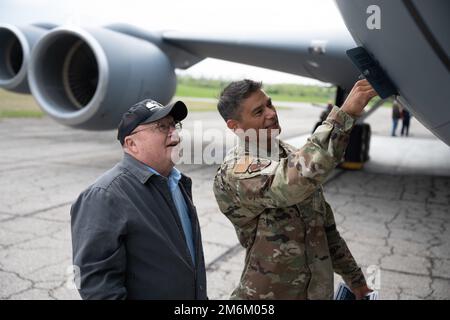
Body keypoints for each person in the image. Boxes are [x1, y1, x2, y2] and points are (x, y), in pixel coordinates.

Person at [213, 79, 377, 300]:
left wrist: (355, 279)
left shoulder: (292, 154)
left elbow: (325, 230)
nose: (271, 113)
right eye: (259, 111)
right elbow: (290, 183)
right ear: (235, 126)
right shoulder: (237, 170)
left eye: (270, 104)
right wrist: (342, 116)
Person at [70, 99, 207, 300]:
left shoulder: (177, 183)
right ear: (131, 144)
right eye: (162, 127)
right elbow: (96, 287)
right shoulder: (104, 195)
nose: (175, 134)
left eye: (173, 125)